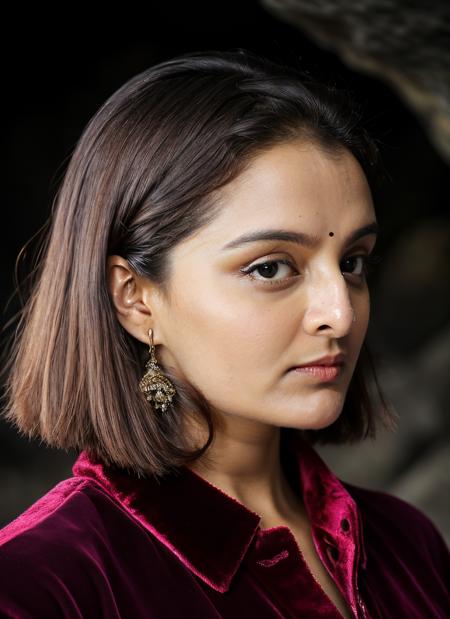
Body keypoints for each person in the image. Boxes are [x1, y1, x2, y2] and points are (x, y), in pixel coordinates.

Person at [0, 48, 448, 619]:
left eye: (353, 261)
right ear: (135, 297)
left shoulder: (407, 545)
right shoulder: (42, 587)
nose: (340, 312)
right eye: (270, 267)